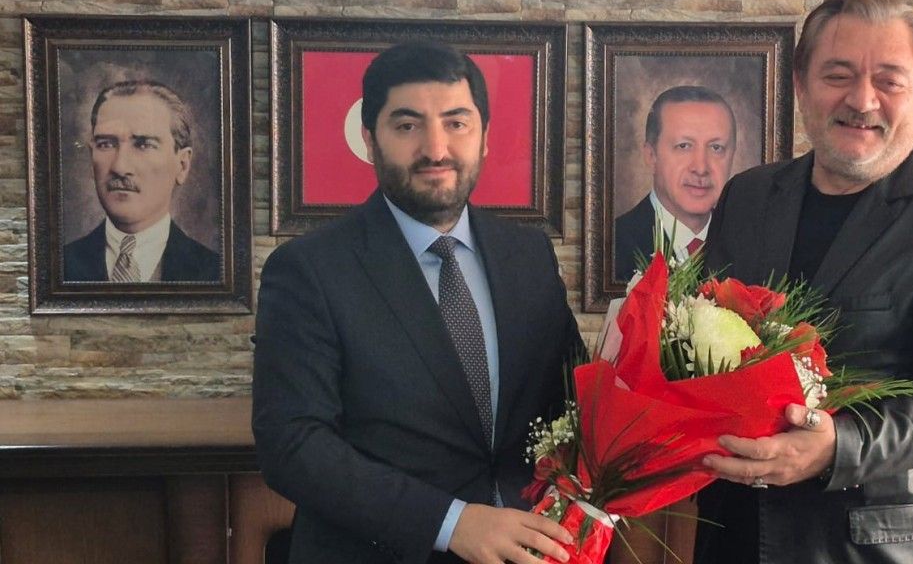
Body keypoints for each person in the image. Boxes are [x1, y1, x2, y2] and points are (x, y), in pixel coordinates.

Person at [695, 0, 913, 564]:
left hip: (872, 546)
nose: (862, 99)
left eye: (889, 80)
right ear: (801, 86)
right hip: (735, 531)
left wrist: (837, 447)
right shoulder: (746, 197)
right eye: (838, 75)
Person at [253, 42, 584, 564]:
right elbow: (292, 445)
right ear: (370, 139)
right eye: (407, 125)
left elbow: (573, 400)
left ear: (485, 136)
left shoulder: (529, 255)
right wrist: (450, 522)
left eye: (457, 123)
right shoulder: (309, 270)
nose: (436, 148)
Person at [62, 80, 220, 283]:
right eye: (106, 144)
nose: (120, 167)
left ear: (182, 165)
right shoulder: (61, 266)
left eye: (144, 145)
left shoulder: (214, 272)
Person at [613, 85, 736, 280]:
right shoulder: (614, 245)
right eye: (684, 146)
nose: (701, 168)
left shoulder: (748, 245)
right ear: (651, 156)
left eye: (716, 148)